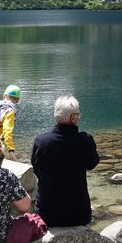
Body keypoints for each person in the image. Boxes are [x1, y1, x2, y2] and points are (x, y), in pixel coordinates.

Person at [30, 95, 99, 227]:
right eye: (78, 115)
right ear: (73, 118)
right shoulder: (85, 140)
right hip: (78, 215)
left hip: (47, 214)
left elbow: (36, 168)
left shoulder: (40, 141)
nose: (79, 117)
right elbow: (92, 164)